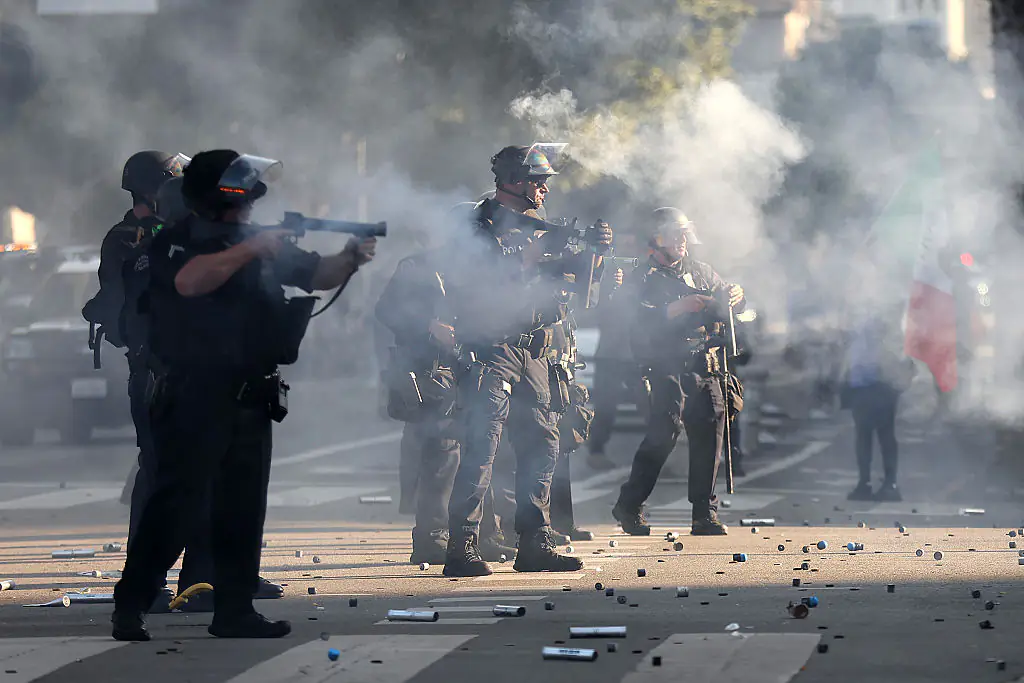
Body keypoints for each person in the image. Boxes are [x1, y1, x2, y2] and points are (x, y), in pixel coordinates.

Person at [110, 150, 376, 641]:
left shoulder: (255, 242)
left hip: (250, 392)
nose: (251, 202)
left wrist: (350, 258)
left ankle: (234, 610)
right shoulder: (177, 242)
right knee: (175, 506)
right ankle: (131, 603)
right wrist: (250, 251)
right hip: (193, 392)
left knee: (241, 507)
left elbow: (318, 275)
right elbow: (191, 282)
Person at [442, 144, 612, 576]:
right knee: (482, 448)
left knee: (543, 444)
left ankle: (535, 543)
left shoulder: (541, 227)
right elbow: (474, 281)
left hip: (535, 351)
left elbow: (581, 292)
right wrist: (528, 258)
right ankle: (461, 548)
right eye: (537, 181)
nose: (543, 190)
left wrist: (594, 255)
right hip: (491, 349)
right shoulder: (476, 226)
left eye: (544, 182)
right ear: (513, 181)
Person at [374, 202, 515, 565]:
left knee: (481, 456)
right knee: (442, 456)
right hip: (433, 373)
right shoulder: (419, 265)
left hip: (475, 371)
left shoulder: (485, 269)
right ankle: (432, 538)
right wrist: (428, 326)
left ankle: (483, 536)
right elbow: (387, 310)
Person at [612, 208, 745, 537]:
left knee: (710, 432)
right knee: (665, 432)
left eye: (685, 233)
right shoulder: (640, 278)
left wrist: (735, 297)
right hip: (665, 364)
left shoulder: (700, 271)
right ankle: (630, 504)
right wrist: (674, 309)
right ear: (656, 239)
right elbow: (631, 320)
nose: (682, 240)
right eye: (675, 234)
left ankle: (704, 512)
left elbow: (728, 303)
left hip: (704, 364)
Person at [839, 314, 915, 502]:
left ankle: (877, 484)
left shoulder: (878, 345)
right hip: (872, 391)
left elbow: (850, 368)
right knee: (878, 438)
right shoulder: (880, 344)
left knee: (872, 438)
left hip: (875, 391)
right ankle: (880, 483)